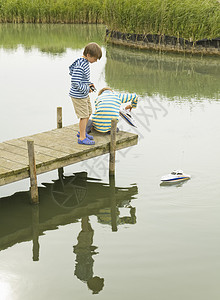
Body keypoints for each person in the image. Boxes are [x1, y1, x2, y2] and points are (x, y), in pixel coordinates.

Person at [69, 42, 102, 145]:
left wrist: (89, 84)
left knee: (88, 113)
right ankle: (82, 138)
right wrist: (86, 89)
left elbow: (82, 79)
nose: (96, 61)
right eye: (95, 58)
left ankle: (81, 132)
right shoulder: (80, 65)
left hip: (83, 94)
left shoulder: (85, 63)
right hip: (78, 96)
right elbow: (75, 82)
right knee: (83, 116)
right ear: (88, 55)